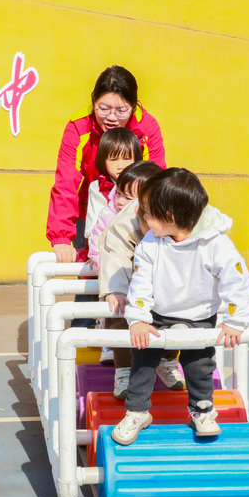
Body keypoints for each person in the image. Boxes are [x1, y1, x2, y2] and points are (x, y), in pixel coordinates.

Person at [112, 168, 249, 444]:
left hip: (199, 315)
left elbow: (236, 280)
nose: (142, 218)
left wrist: (235, 321)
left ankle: (202, 411)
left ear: (170, 217)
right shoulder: (151, 242)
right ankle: (137, 412)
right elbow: (140, 282)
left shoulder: (216, 243)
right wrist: (138, 319)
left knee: (199, 364)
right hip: (157, 313)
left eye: (148, 213)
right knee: (143, 360)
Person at [46, 65, 166, 265]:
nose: (111, 117)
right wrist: (61, 237)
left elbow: (155, 180)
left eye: (121, 110)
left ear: (134, 106)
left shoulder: (146, 127)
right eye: (104, 108)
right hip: (90, 211)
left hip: (135, 211)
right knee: (90, 269)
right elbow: (66, 182)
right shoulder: (78, 126)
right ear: (93, 101)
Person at [91, 161, 169, 398]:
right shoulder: (121, 220)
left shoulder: (168, 213)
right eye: (120, 195)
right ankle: (123, 370)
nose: (122, 202)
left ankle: (167, 360)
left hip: (160, 284)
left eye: (131, 197)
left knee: (174, 314)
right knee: (120, 310)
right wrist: (115, 289)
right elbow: (113, 253)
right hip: (128, 279)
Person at [86, 128, 144, 271]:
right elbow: (94, 225)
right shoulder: (97, 187)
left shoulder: (144, 183)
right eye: (113, 159)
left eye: (127, 158)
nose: (121, 165)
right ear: (104, 162)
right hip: (105, 248)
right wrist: (96, 253)